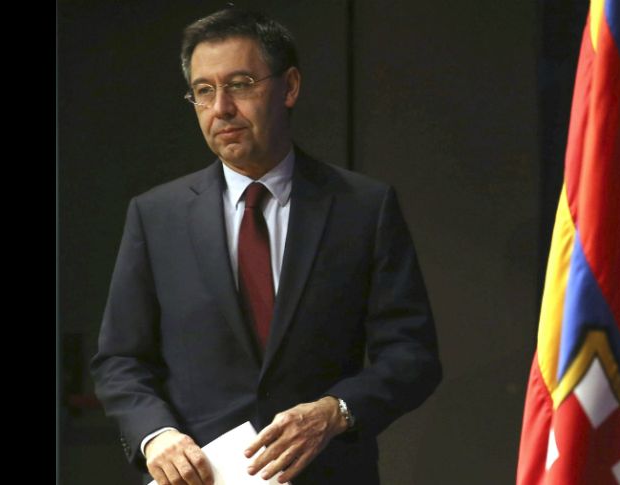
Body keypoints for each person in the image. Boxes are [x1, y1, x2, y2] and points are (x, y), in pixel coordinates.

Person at [90, 7, 442, 485]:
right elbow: (120, 360)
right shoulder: (156, 216)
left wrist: (334, 411)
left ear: (289, 87)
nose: (221, 108)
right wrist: (156, 435)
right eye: (203, 91)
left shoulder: (362, 207)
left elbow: (411, 355)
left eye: (240, 84)